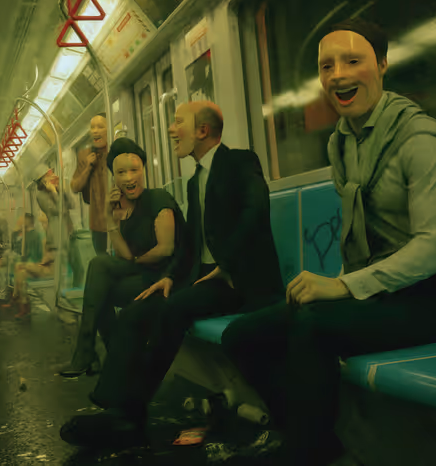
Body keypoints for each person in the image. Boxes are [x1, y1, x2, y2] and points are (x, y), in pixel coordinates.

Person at [221, 18, 436, 465]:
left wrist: (343, 287)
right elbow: (359, 232)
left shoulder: (419, 138)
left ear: (382, 65)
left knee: (312, 327)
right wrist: (342, 284)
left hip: (431, 300)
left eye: (353, 61)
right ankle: (311, 439)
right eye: (327, 66)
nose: (338, 75)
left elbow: (435, 245)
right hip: (376, 293)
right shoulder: (342, 143)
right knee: (242, 335)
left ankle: (306, 450)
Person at [60, 101, 284, 448]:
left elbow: (256, 212)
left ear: (202, 131)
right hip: (205, 279)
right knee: (136, 311)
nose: (170, 129)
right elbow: (191, 244)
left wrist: (226, 264)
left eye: (178, 121)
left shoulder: (240, 162)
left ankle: (131, 414)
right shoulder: (195, 181)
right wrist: (170, 276)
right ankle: (113, 403)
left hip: (238, 280)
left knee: (172, 309)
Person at [58, 138, 188, 378]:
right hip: (143, 272)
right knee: (99, 270)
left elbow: (165, 249)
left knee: (100, 282)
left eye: (134, 170)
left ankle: (101, 356)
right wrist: (109, 216)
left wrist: (136, 260)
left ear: (143, 171)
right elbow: (125, 255)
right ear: (114, 178)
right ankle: (111, 358)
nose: (128, 178)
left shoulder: (158, 199)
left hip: (167, 276)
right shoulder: (124, 208)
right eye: (121, 173)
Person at [71, 114, 109, 254]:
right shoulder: (84, 155)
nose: (95, 131)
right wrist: (88, 167)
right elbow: (75, 187)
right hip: (97, 222)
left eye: (100, 127)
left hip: (119, 218)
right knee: (102, 259)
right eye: (92, 127)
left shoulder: (116, 151)